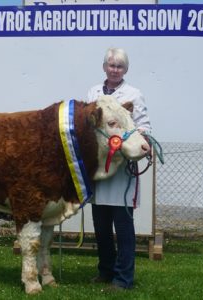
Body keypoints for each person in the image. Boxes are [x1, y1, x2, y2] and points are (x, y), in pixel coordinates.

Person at [87, 47, 151, 290]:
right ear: (104, 67)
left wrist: (134, 141)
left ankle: (124, 278)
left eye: (119, 66)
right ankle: (105, 270)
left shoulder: (134, 94)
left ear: (126, 69)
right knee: (101, 227)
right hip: (100, 171)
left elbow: (144, 127)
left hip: (122, 172)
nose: (115, 70)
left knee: (123, 228)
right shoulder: (92, 92)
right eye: (111, 65)